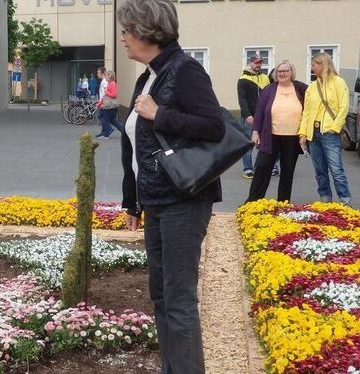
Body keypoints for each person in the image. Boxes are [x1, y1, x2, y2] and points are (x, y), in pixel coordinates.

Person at [117, 1, 224, 373]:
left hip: (185, 198)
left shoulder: (186, 70)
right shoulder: (148, 76)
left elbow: (215, 127)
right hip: (157, 199)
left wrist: (160, 114)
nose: (123, 37)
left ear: (147, 30)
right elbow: (133, 142)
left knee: (178, 299)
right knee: (161, 295)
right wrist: (132, 200)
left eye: (127, 30)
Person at [246, 60, 308, 202]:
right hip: (270, 136)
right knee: (262, 169)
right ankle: (252, 203)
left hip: (293, 138)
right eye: (279, 71)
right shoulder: (269, 89)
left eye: (285, 71)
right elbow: (260, 112)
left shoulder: (301, 88)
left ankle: (283, 204)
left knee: (287, 173)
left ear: (292, 72)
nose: (282, 74)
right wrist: (255, 132)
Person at [298, 52, 351, 205]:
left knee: (336, 169)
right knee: (320, 169)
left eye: (314, 64)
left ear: (322, 65)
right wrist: (302, 133)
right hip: (313, 133)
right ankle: (325, 198)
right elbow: (306, 112)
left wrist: (335, 127)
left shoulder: (338, 83)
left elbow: (344, 107)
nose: (311, 67)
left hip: (329, 132)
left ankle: (344, 199)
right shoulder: (312, 87)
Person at [237, 54, 271, 179]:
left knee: (266, 142)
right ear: (250, 63)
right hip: (250, 116)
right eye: (256, 62)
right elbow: (242, 100)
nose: (258, 64)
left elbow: (269, 97)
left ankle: (262, 167)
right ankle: (247, 168)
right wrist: (247, 115)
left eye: (260, 62)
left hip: (264, 116)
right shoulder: (243, 79)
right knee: (249, 143)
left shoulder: (265, 78)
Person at [96, 70, 124, 139]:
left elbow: (114, 95)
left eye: (106, 76)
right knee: (113, 120)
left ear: (110, 76)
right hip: (110, 106)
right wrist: (99, 103)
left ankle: (106, 133)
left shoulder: (112, 84)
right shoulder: (110, 83)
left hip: (110, 106)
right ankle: (124, 132)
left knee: (105, 119)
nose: (105, 77)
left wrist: (106, 92)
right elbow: (105, 97)